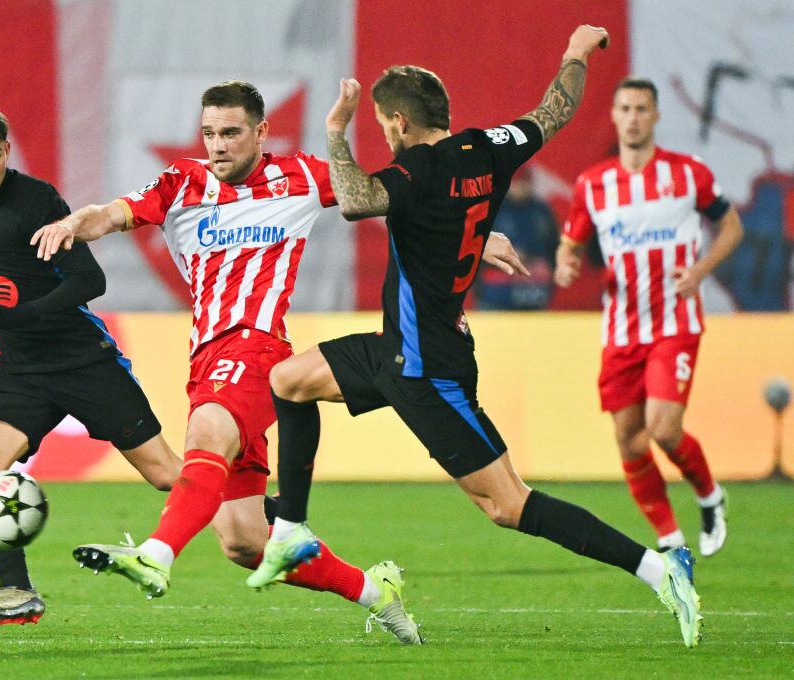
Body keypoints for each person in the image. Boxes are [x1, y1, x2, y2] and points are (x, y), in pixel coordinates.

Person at [248, 26, 705, 649]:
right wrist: (573, 53)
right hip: (394, 349)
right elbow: (556, 110)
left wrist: (335, 130)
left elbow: (356, 200)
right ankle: (292, 528)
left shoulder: (417, 166)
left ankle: (659, 569)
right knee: (289, 381)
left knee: (508, 505)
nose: (383, 133)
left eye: (384, 124)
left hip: (431, 370)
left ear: (401, 123)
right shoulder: (490, 148)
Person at [31, 80, 527, 645]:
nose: (217, 145)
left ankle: (155, 553)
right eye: (210, 133)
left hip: (258, 347)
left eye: (231, 133)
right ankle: (374, 591)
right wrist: (74, 224)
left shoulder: (303, 176)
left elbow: (395, 199)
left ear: (262, 132)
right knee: (243, 540)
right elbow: (111, 214)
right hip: (206, 356)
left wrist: (478, 235)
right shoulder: (180, 183)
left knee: (206, 433)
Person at [0, 104, 183, 629]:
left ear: (7, 152)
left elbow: (90, 282)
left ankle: (274, 516)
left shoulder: (36, 201)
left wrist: (17, 313)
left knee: (166, 475)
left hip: (81, 359)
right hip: (23, 370)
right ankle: (16, 592)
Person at [554, 77, 743, 555]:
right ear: (614, 116)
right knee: (629, 441)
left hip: (675, 323)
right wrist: (565, 262)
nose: (634, 117)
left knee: (662, 429)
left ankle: (709, 495)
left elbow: (731, 225)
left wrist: (700, 272)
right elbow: (571, 242)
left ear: (656, 115)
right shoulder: (593, 185)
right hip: (621, 328)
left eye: (642, 108)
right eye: (625, 108)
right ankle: (671, 541)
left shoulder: (687, 174)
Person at [477, 166, 559, 310]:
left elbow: (552, 248)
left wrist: (536, 260)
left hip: (534, 289)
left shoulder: (541, 210)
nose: (520, 188)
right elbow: (474, 247)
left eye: (524, 183)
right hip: (496, 291)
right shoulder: (492, 208)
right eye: (516, 183)